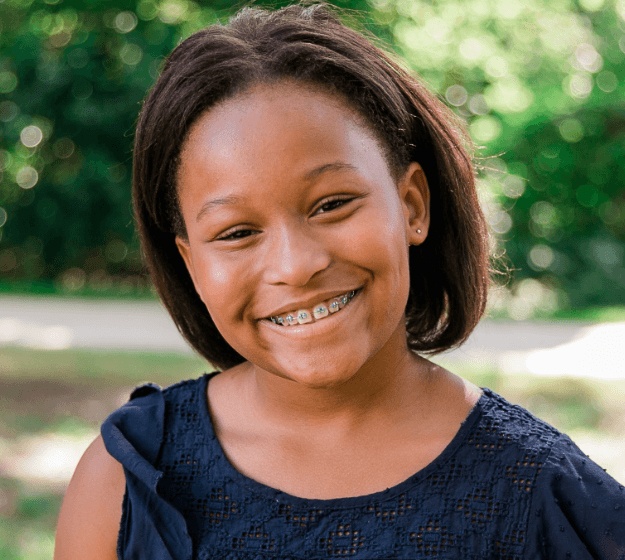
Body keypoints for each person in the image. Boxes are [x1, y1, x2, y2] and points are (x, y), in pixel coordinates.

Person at [54, 3, 625, 559]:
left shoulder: (550, 500)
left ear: (412, 206)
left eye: (331, 204)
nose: (296, 265)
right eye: (236, 233)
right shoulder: (125, 480)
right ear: (190, 264)